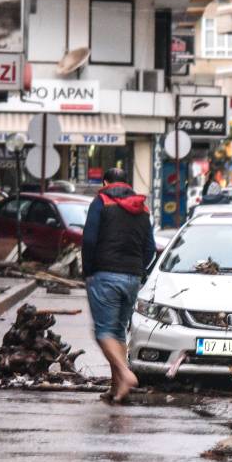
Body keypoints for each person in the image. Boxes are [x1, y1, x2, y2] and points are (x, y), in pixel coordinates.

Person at [83, 167, 157, 404]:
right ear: (127, 183)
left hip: (105, 274)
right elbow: (150, 248)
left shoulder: (101, 201)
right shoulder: (142, 207)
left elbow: (89, 239)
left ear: (105, 182)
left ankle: (125, 374)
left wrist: (88, 271)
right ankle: (116, 388)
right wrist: (139, 270)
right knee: (118, 331)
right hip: (132, 277)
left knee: (103, 332)